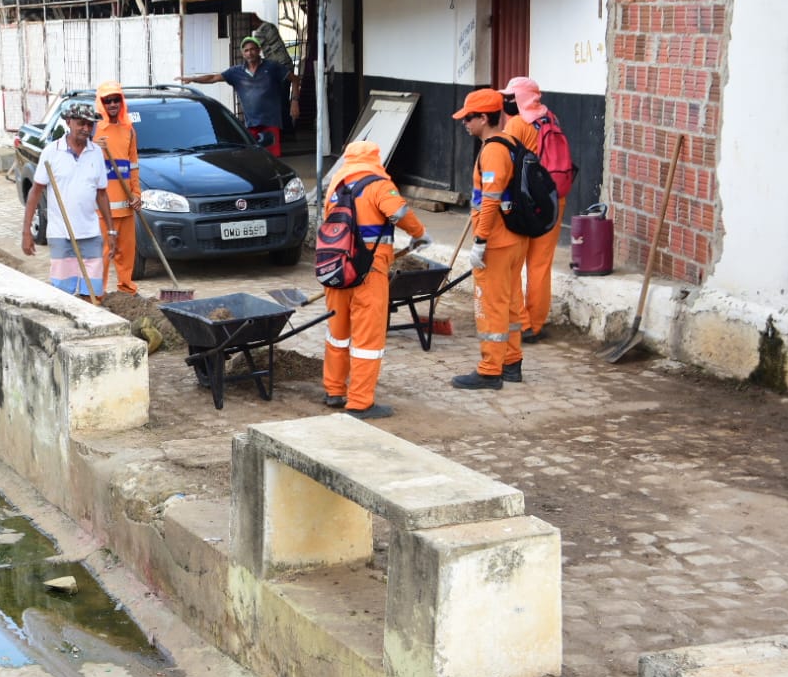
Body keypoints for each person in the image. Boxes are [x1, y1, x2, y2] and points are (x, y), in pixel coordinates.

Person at [320, 140, 429, 420]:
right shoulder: (379, 184)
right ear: (375, 159)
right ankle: (359, 402)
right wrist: (419, 234)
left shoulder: (335, 185)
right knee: (368, 338)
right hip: (369, 270)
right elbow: (400, 213)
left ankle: (334, 390)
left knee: (338, 332)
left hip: (335, 268)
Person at [451, 88, 528, 390]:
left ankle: (489, 370)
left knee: (491, 306)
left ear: (484, 118)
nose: (464, 123)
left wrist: (480, 240)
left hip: (496, 240)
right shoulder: (510, 143)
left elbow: (490, 200)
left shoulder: (493, 150)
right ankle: (511, 363)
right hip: (514, 238)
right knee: (510, 304)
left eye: (468, 118)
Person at [503, 76, 575, 342]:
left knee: (512, 262)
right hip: (554, 199)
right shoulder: (551, 118)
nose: (506, 102)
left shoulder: (517, 124)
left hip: (525, 204)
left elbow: (505, 162)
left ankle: (520, 323)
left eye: (510, 97)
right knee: (540, 265)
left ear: (520, 99)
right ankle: (535, 324)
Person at [22, 103, 115, 300]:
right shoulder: (51, 152)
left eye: (90, 125)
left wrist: (111, 230)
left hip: (90, 233)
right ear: (68, 122)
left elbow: (102, 194)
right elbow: (35, 192)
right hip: (61, 234)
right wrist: (26, 232)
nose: (86, 129)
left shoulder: (96, 153)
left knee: (92, 293)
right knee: (63, 295)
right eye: (81, 123)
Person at [177, 36, 296, 156]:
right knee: (254, 159)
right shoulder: (236, 72)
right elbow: (213, 78)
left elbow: (295, 79)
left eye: (253, 49)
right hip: (251, 124)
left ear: (259, 50)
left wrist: (295, 102)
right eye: (246, 50)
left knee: (272, 160)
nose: (250, 53)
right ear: (243, 54)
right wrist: (192, 79)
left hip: (271, 123)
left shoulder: (272, 67)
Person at [93, 82, 140, 295]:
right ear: (101, 104)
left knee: (126, 252)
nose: (112, 104)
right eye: (107, 100)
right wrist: (96, 149)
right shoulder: (94, 130)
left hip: (126, 204)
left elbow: (134, 166)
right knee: (102, 253)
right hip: (102, 209)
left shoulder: (129, 129)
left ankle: (127, 291)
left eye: (116, 99)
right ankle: (96, 294)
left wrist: (136, 194)